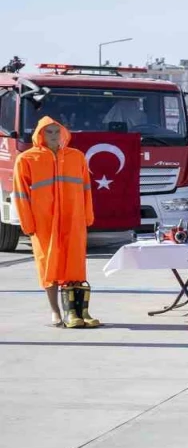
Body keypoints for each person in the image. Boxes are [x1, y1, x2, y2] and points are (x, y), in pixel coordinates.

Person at [13, 117, 98, 328]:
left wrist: (87, 215)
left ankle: (77, 312)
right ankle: (55, 311)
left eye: (56, 131)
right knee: (48, 265)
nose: (53, 136)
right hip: (44, 221)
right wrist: (27, 223)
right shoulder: (26, 159)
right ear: (39, 134)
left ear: (63, 133)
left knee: (75, 265)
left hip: (73, 219)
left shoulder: (76, 157)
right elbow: (20, 195)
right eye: (48, 132)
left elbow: (86, 189)